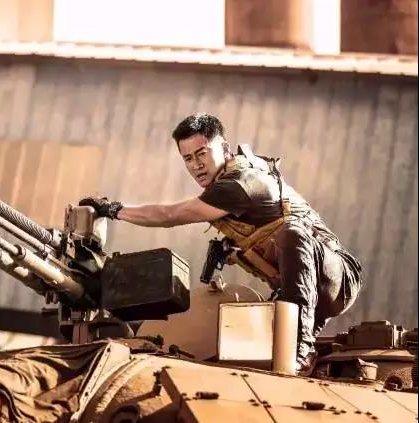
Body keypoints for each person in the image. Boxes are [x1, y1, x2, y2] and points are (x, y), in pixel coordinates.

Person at [79, 113, 362, 375]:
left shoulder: (240, 183)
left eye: (202, 153)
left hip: (337, 278)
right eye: (188, 158)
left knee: (292, 233)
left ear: (225, 149)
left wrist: (114, 210)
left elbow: (169, 215)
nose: (196, 165)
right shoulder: (227, 187)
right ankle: (297, 342)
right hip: (306, 291)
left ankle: (301, 349)